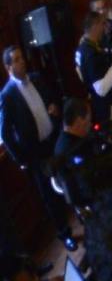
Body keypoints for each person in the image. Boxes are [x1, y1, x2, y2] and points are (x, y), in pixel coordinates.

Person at [1, 46, 65, 232]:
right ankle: (64, 232)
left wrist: (55, 109)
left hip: (53, 140)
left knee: (65, 179)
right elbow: (5, 134)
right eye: (17, 60)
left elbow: (52, 99)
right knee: (49, 194)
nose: (23, 62)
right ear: (8, 67)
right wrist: (22, 159)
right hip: (36, 152)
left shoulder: (36, 78)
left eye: (22, 58)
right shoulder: (7, 96)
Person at [75, 12, 112, 126]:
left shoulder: (86, 47)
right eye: (102, 24)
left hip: (111, 105)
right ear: (94, 26)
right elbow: (101, 89)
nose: (104, 27)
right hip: (110, 109)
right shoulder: (89, 53)